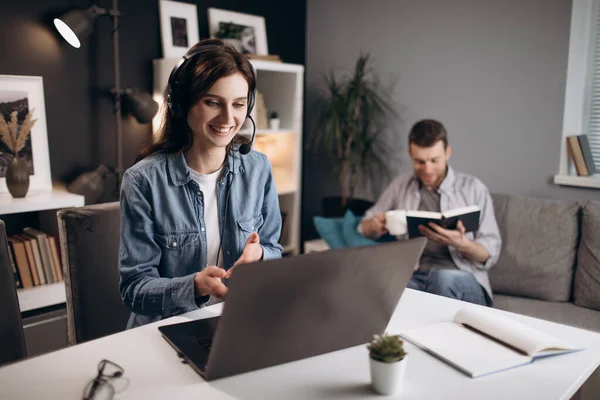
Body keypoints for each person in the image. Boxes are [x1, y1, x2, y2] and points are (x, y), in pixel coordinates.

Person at [119, 39, 283, 329]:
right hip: (168, 327)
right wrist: (194, 286)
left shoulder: (258, 168)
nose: (228, 118)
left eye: (238, 104)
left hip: (236, 321)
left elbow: (273, 249)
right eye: (212, 102)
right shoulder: (142, 181)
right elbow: (134, 290)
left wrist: (259, 255)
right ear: (183, 104)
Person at [358, 119, 501, 306]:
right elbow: (364, 226)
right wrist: (375, 225)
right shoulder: (402, 185)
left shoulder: (473, 189)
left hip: (463, 279)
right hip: (415, 275)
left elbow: (490, 253)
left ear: (447, 153)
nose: (427, 170)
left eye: (434, 160)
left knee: (441, 279)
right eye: (419, 162)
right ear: (410, 154)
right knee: (386, 286)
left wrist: (462, 244)